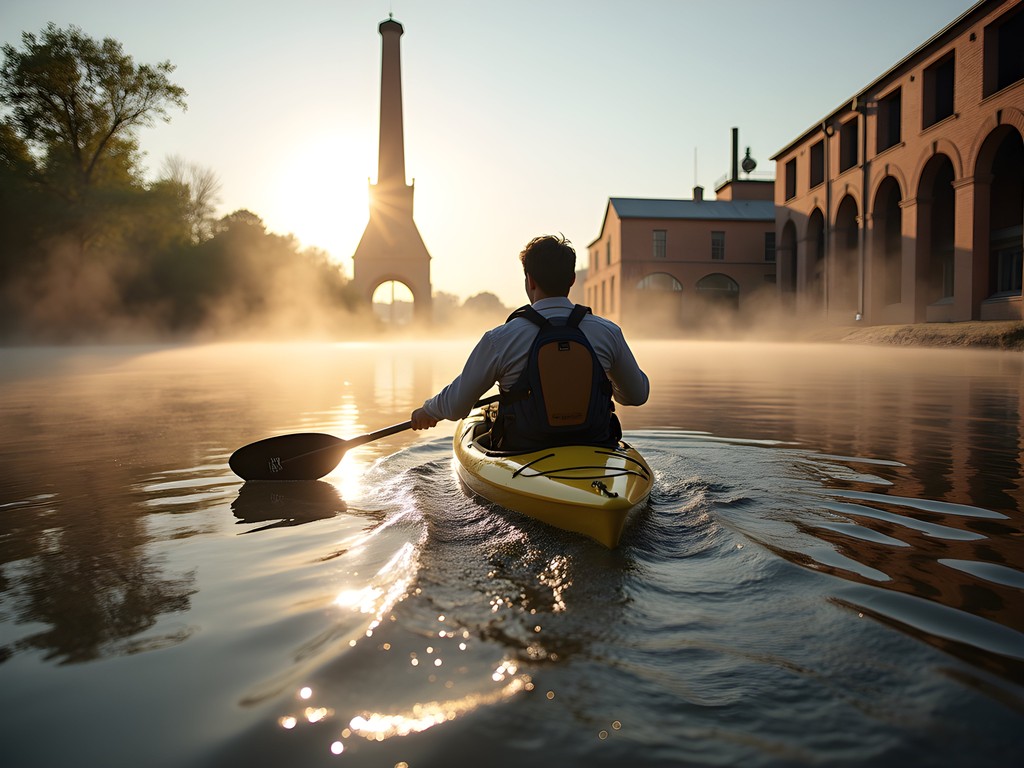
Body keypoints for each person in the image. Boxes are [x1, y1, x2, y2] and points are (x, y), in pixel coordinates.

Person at [410, 234, 649, 449]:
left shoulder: (500, 339)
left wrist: (428, 410)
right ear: (572, 280)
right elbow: (636, 396)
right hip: (595, 445)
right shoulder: (608, 332)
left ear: (530, 280)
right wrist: (605, 377)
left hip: (525, 451)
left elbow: (456, 406)